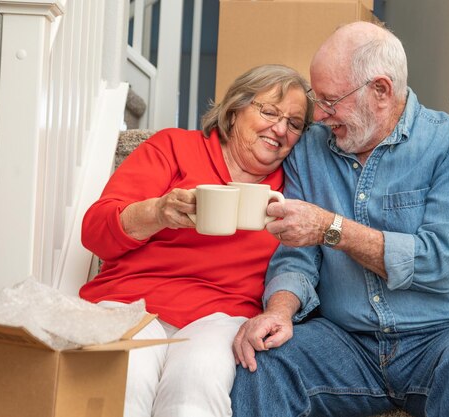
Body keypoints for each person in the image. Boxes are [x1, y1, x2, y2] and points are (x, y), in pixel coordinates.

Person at [231, 22, 449, 417]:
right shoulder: (311, 148)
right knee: (265, 361)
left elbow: (440, 263)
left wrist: (333, 228)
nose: (321, 115)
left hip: (445, 336)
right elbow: (296, 253)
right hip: (344, 342)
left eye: (331, 100)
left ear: (381, 91)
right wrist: (279, 310)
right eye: (318, 99)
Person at [79, 64, 312, 417]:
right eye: (269, 111)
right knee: (122, 383)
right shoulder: (173, 147)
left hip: (221, 317)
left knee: (196, 390)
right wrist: (156, 212)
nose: (280, 129)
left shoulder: (294, 187)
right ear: (234, 111)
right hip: (133, 302)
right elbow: (95, 232)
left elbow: (303, 263)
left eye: (294, 124)